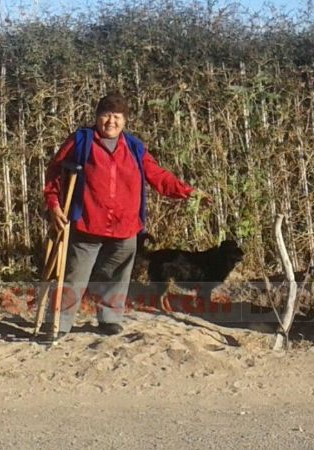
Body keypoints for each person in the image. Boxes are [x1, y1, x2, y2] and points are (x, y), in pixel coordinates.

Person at [42, 92, 207, 341]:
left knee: (117, 275)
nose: (111, 121)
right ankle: (59, 323)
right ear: (97, 117)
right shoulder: (81, 141)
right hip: (87, 221)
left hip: (125, 225)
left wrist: (189, 193)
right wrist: (54, 204)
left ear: (125, 120)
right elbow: (55, 172)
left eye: (117, 116)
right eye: (106, 115)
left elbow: (158, 176)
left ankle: (110, 319)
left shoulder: (134, 147)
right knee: (75, 275)